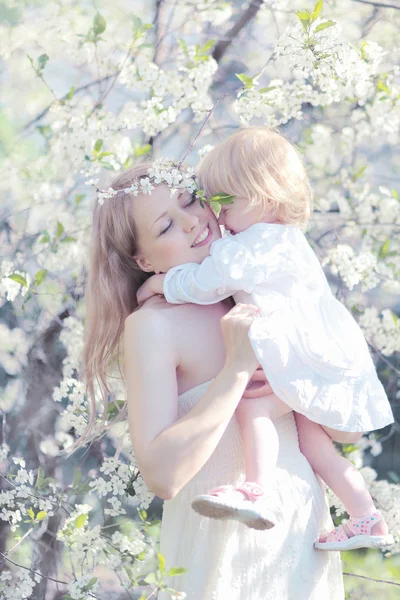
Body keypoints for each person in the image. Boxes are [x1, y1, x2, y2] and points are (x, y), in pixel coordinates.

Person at [83, 161, 344, 599]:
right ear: (143, 259)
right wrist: (236, 370)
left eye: (189, 200)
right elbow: (163, 476)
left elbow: (346, 427)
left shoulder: (261, 293)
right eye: (166, 225)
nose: (191, 222)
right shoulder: (153, 326)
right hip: (224, 550)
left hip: (300, 536)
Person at [136, 127, 394, 552]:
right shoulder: (273, 239)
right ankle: (367, 516)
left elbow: (209, 282)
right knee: (314, 442)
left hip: (302, 356)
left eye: (225, 201)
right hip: (312, 354)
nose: (216, 215)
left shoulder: (261, 243)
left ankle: (256, 488)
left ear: (265, 197)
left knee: (254, 405)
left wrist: (163, 284)